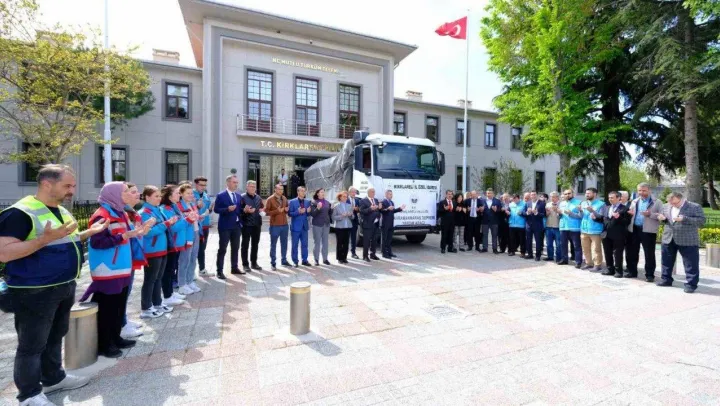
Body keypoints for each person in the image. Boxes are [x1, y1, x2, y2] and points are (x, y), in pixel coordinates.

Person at [0, 165, 108, 406]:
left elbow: (67, 239)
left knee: (55, 335)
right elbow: (4, 253)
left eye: (73, 186)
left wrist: (90, 231)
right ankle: (28, 394)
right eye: (67, 186)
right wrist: (43, 240)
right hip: (34, 291)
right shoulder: (19, 213)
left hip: (63, 285)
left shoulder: (61, 210)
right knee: (32, 345)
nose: (72, 191)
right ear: (46, 184)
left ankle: (53, 377)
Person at [82, 182, 152, 358]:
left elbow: (127, 236)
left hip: (121, 268)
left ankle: (115, 338)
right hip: (107, 270)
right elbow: (97, 242)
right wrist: (124, 236)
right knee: (107, 309)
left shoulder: (120, 213)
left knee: (118, 307)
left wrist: (139, 231)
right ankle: (104, 345)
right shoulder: (102, 215)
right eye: (125, 191)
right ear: (114, 194)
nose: (129, 194)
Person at [139, 186, 182, 319]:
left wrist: (167, 223)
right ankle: (146, 307)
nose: (159, 198)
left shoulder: (156, 209)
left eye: (159, 196)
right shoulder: (145, 212)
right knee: (150, 280)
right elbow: (148, 233)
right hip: (152, 250)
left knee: (158, 278)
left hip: (162, 248)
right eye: (156, 196)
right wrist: (166, 224)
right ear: (147, 197)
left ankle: (157, 303)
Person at [656, 192, 706, 293]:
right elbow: (667, 221)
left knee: (690, 263)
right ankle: (666, 279)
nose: (672, 205)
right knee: (666, 261)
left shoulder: (694, 206)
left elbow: (701, 221)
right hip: (668, 238)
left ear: (682, 199)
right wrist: (663, 219)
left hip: (687, 239)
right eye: (670, 203)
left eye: (675, 203)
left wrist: (684, 219)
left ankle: (691, 284)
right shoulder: (666, 206)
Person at [159, 185, 191, 303]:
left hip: (176, 243)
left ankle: (170, 293)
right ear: (169, 196)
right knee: (168, 271)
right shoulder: (165, 209)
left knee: (171, 269)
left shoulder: (173, 207)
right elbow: (173, 228)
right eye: (177, 193)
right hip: (171, 244)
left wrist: (187, 219)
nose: (179, 195)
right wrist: (188, 220)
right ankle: (167, 296)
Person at [625, 183, 662, 281]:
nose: (641, 192)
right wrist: (630, 214)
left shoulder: (657, 202)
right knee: (632, 252)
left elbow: (662, 216)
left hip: (648, 231)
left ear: (649, 190)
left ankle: (649, 275)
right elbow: (631, 213)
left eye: (644, 190)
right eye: (639, 190)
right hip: (634, 229)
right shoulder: (634, 201)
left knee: (649, 254)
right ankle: (632, 272)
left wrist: (650, 214)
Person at [594, 192, 631, 277]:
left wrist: (619, 217)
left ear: (618, 198)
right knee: (607, 252)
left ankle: (619, 271)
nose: (610, 199)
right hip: (606, 234)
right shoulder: (607, 208)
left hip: (618, 235)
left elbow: (627, 222)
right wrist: (595, 218)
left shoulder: (625, 208)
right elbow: (604, 219)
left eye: (612, 197)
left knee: (617, 254)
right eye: (609, 197)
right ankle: (610, 269)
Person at [213, 175, 242, 277]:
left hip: (236, 226)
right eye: (234, 182)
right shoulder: (221, 195)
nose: (236, 184)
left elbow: (239, 210)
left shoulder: (238, 196)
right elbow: (216, 209)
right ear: (228, 183)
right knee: (223, 249)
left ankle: (234, 268)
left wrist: (245, 210)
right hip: (225, 227)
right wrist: (227, 209)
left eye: (237, 182)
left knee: (235, 248)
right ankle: (219, 271)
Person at [177, 183, 202, 295]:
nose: (191, 195)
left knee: (193, 258)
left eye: (191, 193)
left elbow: (195, 218)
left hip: (195, 232)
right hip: (187, 235)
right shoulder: (178, 206)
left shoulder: (192, 204)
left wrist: (200, 217)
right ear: (181, 194)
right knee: (184, 259)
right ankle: (182, 284)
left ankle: (190, 281)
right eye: (188, 193)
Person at [240, 180, 264, 272]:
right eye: (251, 186)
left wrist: (262, 210)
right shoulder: (242, 197)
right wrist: (245, 211)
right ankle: (245, 264)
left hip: (257, 224)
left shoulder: (258, 197)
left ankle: (254, 263)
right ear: (247, 187)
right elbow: (239, 211)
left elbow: (261, 207)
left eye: (254, 186)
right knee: (245, 245)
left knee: (255, 244)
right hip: (246, 224)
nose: (253, 188)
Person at [579, 188, 605, 272]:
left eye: (589, 193)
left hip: (595, 230)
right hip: (584, 229)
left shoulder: (601, 204)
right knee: (585, 248)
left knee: (596, 249)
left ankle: (597, 265)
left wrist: (592, 211)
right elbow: (581, 216)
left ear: (595, 194)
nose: (587, 195)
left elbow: (601, 217)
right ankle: (588, 263)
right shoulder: (583, 203)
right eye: (586, 193)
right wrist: (580, 211)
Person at [265, 183, 291, 270]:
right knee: (273, 245)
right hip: (274, 226)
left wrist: (286, 210)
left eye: (282, 189)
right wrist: (277, 211)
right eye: (279, 189)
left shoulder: (284, 198)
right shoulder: (270, 199)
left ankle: (284, 260)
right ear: (275, 189)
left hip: (284, 225)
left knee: (284, 244)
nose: (281, 191)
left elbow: (286, 210)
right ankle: (273, 263)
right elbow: (266, 212)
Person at [193, 176, 214, 277]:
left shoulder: (206, 195)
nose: (203, 187)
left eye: (205, 185)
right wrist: (197, 206)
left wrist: (211, 209)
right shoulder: (191, 194)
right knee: (195, 249)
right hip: (195, 226)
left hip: (205, 225)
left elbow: (208, 210)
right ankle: (192, 271)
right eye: (201, 185)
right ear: (196, 184)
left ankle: (201, 269)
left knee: (202, 248)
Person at [559, 189, 583, 268]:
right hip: (563, 227)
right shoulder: (561, 203)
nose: (567, 195)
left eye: (569, 193)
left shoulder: (579, 202)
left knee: (576, 246)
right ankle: (564, 259)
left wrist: (571, 213)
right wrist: (558, 213)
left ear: (573, 194)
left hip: (574, 227)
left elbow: (581, 216)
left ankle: (578, 262)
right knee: (563, 245)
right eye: (565, 194)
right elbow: (560, 216)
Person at [289, 187, 312, 267]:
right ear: (298, 192)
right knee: (294, 245)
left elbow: (308, 214)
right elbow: (290, 214)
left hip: (304, 227)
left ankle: (304, 260)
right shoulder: (292, 202)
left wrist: (308, 212)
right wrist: (298, 212)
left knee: (305, 244)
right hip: (295, 227)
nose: (303, 192)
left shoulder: (307, 202)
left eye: (304, 191)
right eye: (301, 191)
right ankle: (295, 261)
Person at [309, 188, 332, 266]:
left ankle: (325, 259)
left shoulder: (328, 203)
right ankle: (316, 259)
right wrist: (318, 208)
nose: (323, 193)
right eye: (321, 192)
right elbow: (313, 214)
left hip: (326, 224)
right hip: (317, 224)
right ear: (317, 193)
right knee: (317, 242)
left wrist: (332, 209)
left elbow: (329, 213)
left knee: (325, 242)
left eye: (323, 192)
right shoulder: (313, 202)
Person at [380, 189, 405, 258]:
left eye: (392, 194)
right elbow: (381, 211)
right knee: (384, 239)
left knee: (389, 239)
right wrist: (387, 209)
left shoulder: (392, 202)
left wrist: (400, 208)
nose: (391, 195)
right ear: (386, 194)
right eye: (390, 194)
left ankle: (389, 252)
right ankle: (384, 253)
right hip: (385, 223)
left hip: (391, 223)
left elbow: (393, 211)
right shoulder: (383, 202)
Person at [360, 187, 382, 261]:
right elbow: (362, 211)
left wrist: (380, 209)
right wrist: (370, 208)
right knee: (366, 241)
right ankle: (365, 256)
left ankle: (373, 254)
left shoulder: (376, 200)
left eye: (374, 192)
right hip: (367, 223)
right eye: (372, 192)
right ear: (368, 192)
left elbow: (378, 210)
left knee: (374, 240)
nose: (374, 193)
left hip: (375, 223)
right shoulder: (363, 200)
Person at [523, 191, 546, 261]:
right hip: (529, 225)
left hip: (538, 225)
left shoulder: (542, 203)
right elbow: (523, 213)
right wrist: (527, 212)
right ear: (530, 196)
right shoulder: (527, 203)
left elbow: (544, 214)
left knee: (538, 241)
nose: (533, 196)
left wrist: (536, 213)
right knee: (528, 240)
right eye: (532, 195)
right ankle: (530, 254)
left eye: (534, 194)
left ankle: (538, 256)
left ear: (537, 195)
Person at [332, 191, 353, 264]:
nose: (345, 198)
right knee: (340, 243)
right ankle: (339, 258)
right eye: (344, 196)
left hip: (348, 226)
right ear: (340, 197)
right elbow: (333, 217)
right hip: (339, 227)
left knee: (346, 243)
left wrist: (350, 215)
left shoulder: (349, 205)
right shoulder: (336, 206)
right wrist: (341, 216)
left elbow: (353, 216)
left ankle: (344, 257)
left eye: (346, 197)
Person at [480, 189, 503, 253]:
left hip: (494, 221)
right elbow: (480, 210)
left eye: (490, 193)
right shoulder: (482, 200)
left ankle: (494, 249)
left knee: (494, 235)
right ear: (486, 194)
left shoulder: (497, 201)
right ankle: (485, 248)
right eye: (488, 193)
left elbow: (500, 209)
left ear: (493, 194)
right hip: (485, 221)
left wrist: (496, 210)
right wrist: (481, 210)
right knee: (485, 235)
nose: (489, 194)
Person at [544, 192, 562, 262]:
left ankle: (558, 258)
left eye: (554, 197)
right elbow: (545, 215)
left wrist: (557, 211)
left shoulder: (561, 204)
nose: (552, 198)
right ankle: (550, 256)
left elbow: (562, 215)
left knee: (558, 244)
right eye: (551, 197)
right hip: (548, 226)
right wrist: (547, 213)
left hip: (557, 227)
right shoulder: (547, 204)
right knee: (549, 243)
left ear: (558, 197)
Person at [348, 187, 361, 259]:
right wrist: (351, 208)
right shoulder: (346, 199)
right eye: (352, 192)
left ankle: (353, 253)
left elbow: (359, 210)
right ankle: (343, 253)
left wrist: (357, 209)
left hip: (354, 221)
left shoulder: (357, 200)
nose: (354, 193)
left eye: (355, 192)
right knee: (345, 238)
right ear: (349, 192)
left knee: (353, 238)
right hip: (346, 221)